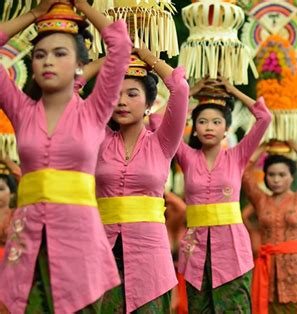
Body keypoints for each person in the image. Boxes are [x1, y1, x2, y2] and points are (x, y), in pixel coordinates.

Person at [0, 0, 131, 312]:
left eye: (60, 54)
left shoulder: (95, 110)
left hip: (79, 241)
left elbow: (121, 43)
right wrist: (34, 13)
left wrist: (82, 5)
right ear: (31, 64)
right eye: (41, 55)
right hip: (27, 240)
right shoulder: (21, 110)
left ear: (78, 65)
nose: (48, 62)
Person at [94, 44, 189, 312]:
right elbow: (73, 90)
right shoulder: (97, 137)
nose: (121, 101)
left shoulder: (163, 142)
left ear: (149, 103)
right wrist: (111, 59)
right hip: (102, 252)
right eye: (115, 94)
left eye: (132, 94)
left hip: (150, 257)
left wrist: (147, 57)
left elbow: (180, 89)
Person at [176, 78, 271, 313]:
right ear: (194, 127)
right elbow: (157, 121)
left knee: (235, 308)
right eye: (202, 122)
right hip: (195, 247)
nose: (209, 127)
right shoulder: (186, 157)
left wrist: (233, 90)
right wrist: (188, 93)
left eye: (216, 122)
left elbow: (265, 117)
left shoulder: (237, 156)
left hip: (232, 246)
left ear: (226, 128)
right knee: (199, 309)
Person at [243, 141, 297, 313]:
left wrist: (295, 145)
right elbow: (244, 173)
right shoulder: (261, 200)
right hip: (268, 271)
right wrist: (262, 147)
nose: (276, 179)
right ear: (265, 176)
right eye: (271, 174)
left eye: (282, 175)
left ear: (292, 176)